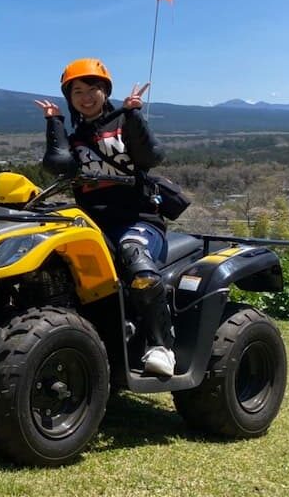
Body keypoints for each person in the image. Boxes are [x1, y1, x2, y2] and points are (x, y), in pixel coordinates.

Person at [34, 58, 176, 377]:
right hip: (94, 225)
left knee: (135, 259)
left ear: (105, 91)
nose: (86, 97)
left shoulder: (123, 122)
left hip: (138, 220)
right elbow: (59, 164)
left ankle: (160, 346)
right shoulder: (76, 138)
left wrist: (133, 114)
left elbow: (149, 156)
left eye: (93, 89)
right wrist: (54, 121)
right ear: (69, 98)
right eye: (77, 92)